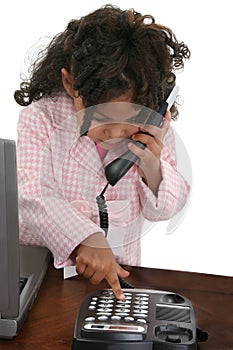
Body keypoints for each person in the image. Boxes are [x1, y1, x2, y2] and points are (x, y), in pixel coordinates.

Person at [14, 4, 191, 299]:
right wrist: (85, 237)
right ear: (70, 84)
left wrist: (152, 167)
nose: (118, 134)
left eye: (130, 120)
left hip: (118, 280)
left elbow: (165, 209)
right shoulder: (41, 118)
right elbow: (29, 192)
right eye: (104, 120)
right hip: (42, 281)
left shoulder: (151, 128)